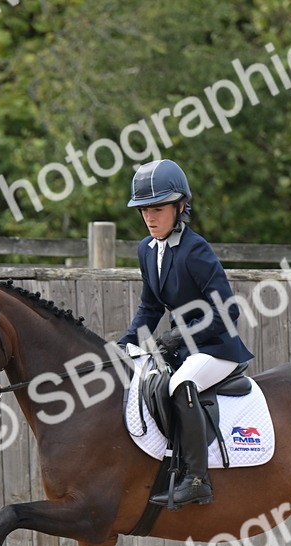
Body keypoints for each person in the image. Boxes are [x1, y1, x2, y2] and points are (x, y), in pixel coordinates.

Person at [117, 159, 254, 507]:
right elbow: (150, 308)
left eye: (158, 208)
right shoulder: (147, 250)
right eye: (144, 209)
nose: (150, 217)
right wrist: (126, 344)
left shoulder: (195, 249)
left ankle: (196, 479)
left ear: (180, 206)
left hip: (217, 348)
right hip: (184, 350)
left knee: (180, 385)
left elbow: (228, 311)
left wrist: (180, 337)